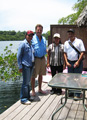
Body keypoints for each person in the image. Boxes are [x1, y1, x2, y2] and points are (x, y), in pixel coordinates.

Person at [64, 29, 85, 98]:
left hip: (77, 62)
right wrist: (66, 62)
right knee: (70, 78)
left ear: (74, 34)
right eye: (69, 33)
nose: (70, 35)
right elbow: (65, 53)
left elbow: (82, 52)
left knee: (77, 78)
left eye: (71, 33)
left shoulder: (79, 41)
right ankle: (71, 92)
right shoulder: (66, 43)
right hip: (69, 62)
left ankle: (78, 93)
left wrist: (78, 62)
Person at [17, 30, 35, 105]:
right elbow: (19, 56)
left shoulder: (30, 44)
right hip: (25, 66)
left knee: (27, 82)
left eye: (31, 36)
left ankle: (27, 96)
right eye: (29, 35)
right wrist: (20, 66)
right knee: (25, 83)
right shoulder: (23, 44)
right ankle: (23, 99)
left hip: (31, 65)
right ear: (26, 36)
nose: (30, 37)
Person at [31, 24, 47, 96]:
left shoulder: (44, 39)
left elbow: (45, 48)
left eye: (40, 30)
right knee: (33, 76)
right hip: (36, 59)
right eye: (38, 30)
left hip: (43, 58)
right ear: (35, 30)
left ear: (42, 31)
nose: (39, 31)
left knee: (41, 75)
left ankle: (40, 89)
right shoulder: (32, 38)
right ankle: (33, 90)